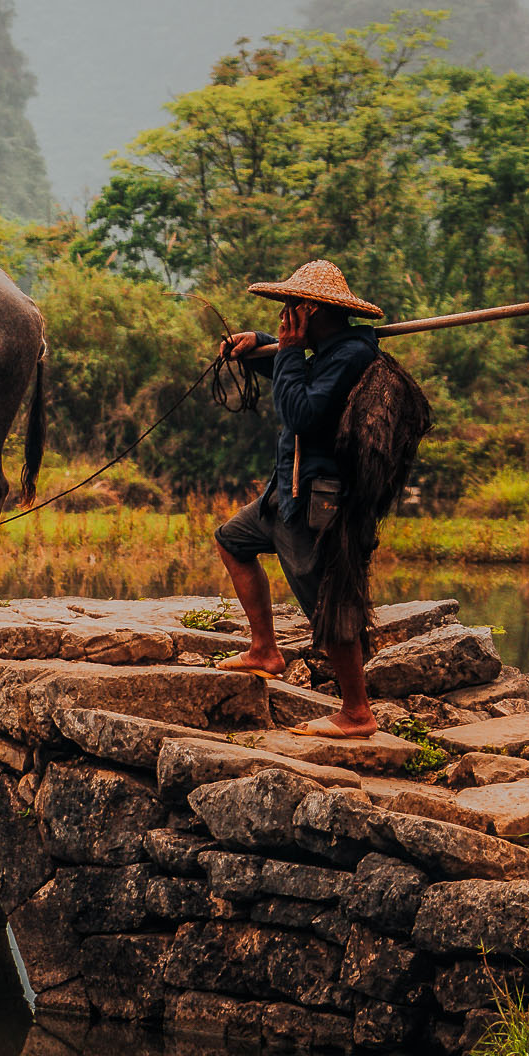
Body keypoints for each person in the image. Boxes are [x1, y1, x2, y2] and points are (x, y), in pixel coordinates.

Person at [213, 256, 387, 735]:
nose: (284, 314)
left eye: (291, 307)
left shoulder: (352, 355)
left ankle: (357, 712)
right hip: (283, 491)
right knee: (233, 539)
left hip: (316, 499)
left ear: (310, 310)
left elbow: (302, 410)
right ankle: (265, 650)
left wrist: (285, 350)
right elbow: (304, 376)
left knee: (325, 598)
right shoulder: (331, 350)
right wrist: (264, 346)